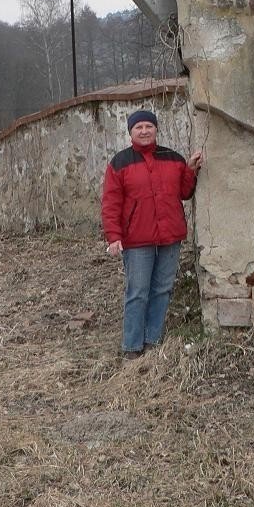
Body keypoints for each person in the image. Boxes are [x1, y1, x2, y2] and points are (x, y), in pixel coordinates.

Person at [101, 109, 203, 357]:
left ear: (156, 129)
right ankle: (132, 346)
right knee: (137, 292)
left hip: (170, 236)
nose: (144, 131)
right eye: (139, 127)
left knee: (162, 289)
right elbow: (110, 203)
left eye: (149, 126)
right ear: (131, 132)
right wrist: (114, 236)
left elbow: (185, 192)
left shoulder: (173, 158)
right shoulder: (120, 163)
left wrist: (189, 170)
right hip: (137, 239)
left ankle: (153, 339)